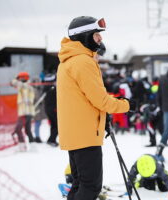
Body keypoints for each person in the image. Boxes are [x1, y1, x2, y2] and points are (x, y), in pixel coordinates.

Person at [57, 16, 134, 200]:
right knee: (90, 187)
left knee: (79, 184)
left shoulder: (68, 60)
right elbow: (101, 100)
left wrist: (102, 118)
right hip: (85, 136)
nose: (100, 39)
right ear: (84, 36)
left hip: (77, 133)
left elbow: (84, 100)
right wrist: (127, 105)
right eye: (96, 35)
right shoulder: (82, 62)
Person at [11, 72, 35, 150]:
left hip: (24, 112)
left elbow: (12, 82)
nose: (19, 79)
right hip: (28, 112)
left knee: (18, 129)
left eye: (20, 78)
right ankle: (33, 147)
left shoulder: (23, 86)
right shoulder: (27, 86)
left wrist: (16, 78)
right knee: (28, 130)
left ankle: (22, 147)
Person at [43, 74, 58, 147]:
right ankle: (51, 140)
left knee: (53, 125)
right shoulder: (52, 89)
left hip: (49, 109)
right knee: (56, 125)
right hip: (52, 109)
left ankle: (51, 139)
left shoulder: (46, 88)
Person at [33, 78, 46, 143]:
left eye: (39, 81)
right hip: (36, 109)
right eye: (37, 82)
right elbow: (33, 99)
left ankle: (37, 136)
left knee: (39, 123)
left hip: (40, 109)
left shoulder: (40, 89)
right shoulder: (33, 90)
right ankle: (37, 137)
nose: (38, 83)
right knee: (37, 123)